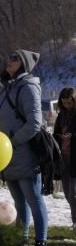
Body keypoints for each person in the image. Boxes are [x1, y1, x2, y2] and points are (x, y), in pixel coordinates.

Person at [0, 49, 47, 246]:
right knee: (19, 202)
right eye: (9, 56)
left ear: (23, 64)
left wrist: (11, 142)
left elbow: (35, 123)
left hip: (24, 154)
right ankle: (20, 242)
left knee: (34, 199)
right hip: (8, 156)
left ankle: (41, 244)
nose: (9, 60)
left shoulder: (28, 87)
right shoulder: (7, 88)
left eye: (14, 58)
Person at [52, 86, 76, 229]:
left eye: (69, 102)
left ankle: (75, 222)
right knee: (67, 193)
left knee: (73, 192)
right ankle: (75, 221)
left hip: (75, 159)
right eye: (64, 103)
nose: (67, 105)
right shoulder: (61, 115)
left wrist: (72, 136)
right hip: (63, 158)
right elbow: (56, 133)